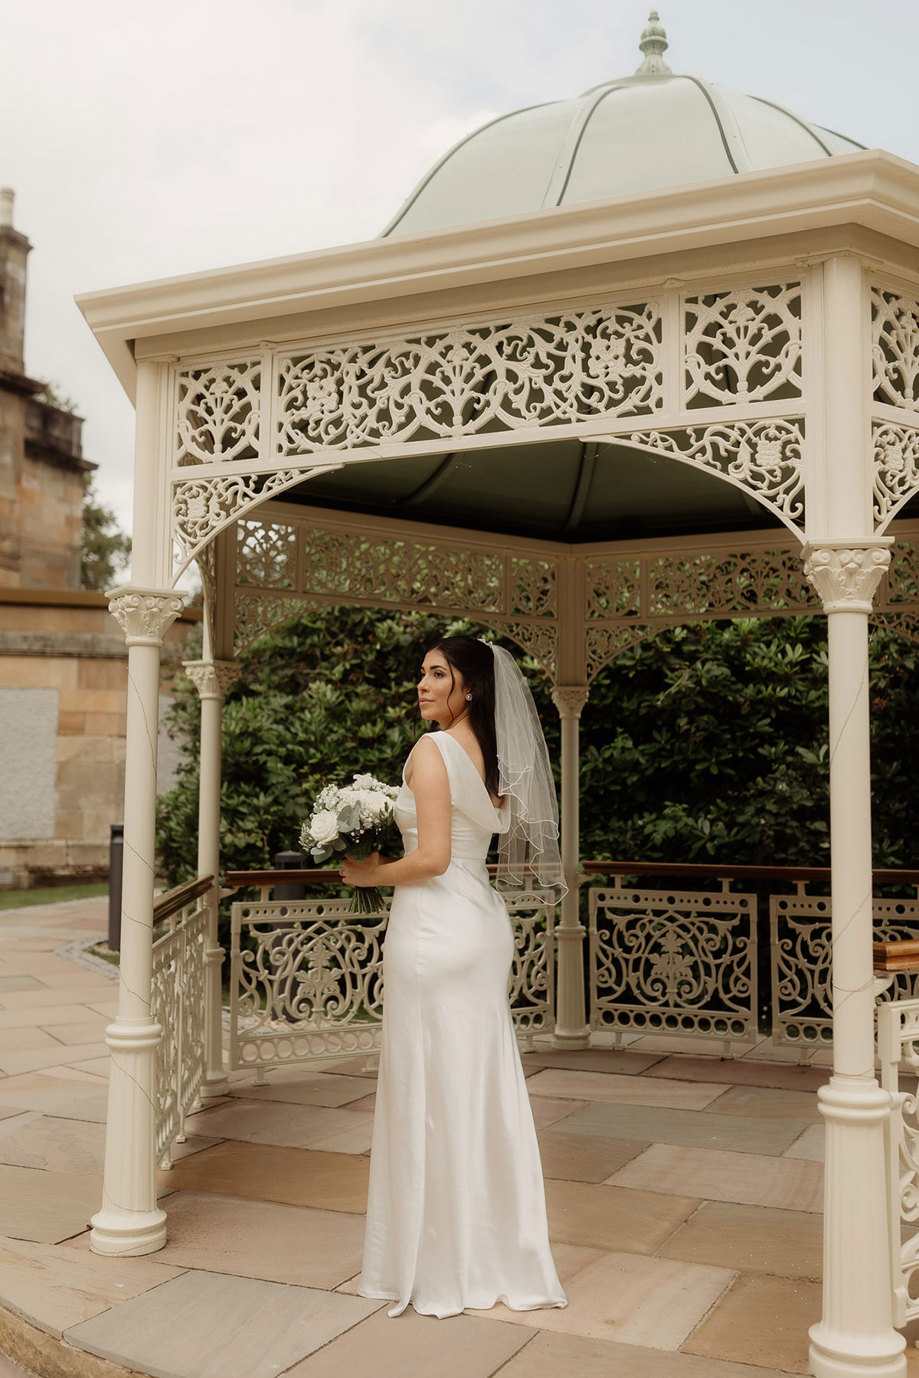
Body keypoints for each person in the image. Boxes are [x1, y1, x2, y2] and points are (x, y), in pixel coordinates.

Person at [340, 635, 567, 1319]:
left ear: (469, 685)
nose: (423, 684)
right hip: (479, 922)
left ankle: (441, 1262)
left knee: (430, 1089)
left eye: (437, 674)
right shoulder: (493, 758)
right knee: (476, 1085)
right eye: (420, 673)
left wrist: (367, 872)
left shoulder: (432, 752)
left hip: (436, 928)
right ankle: (496, 1247)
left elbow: (433, 857)